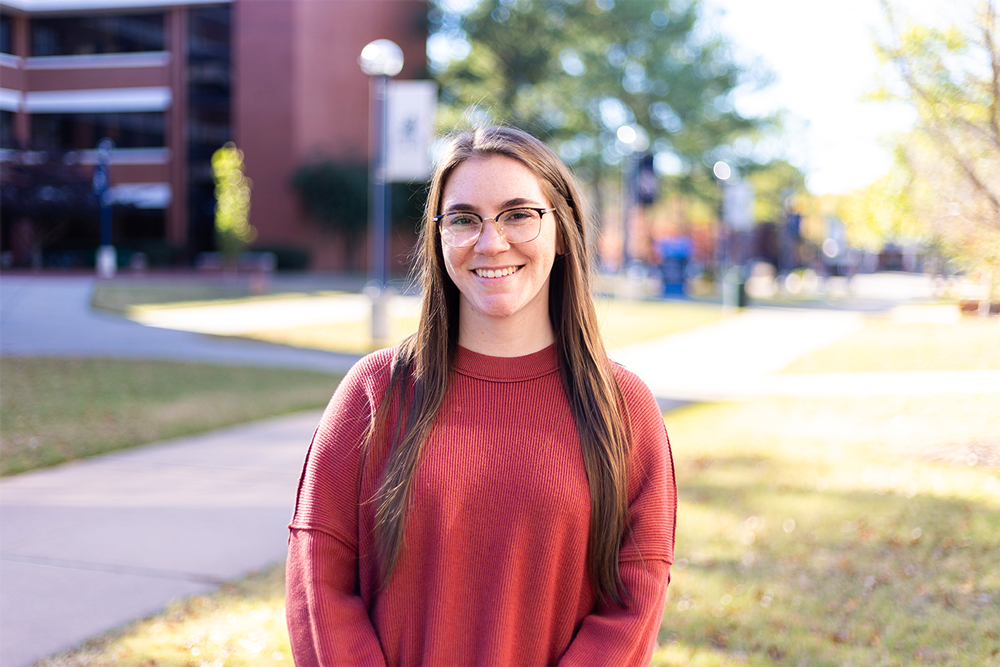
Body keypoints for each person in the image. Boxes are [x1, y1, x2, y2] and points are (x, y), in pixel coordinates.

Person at [285, 125, 676, 666]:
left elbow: (637, 594)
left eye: (518, 214)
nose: (491, 242)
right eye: (465, 219)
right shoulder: (375, 393)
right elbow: (319, 581)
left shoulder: (622, 405)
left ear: (560, 230)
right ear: (439, 237)